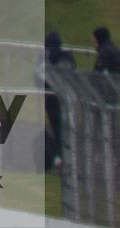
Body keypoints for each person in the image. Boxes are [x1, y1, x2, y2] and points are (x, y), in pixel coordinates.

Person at [36, 31, 76, 173]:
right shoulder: (67, 56)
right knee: (67, 130)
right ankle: (67, 160)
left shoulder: (46, 57)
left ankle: (61, 159)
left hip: (52, 98)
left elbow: (38, 75)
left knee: (58, 129)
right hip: (67, 99)